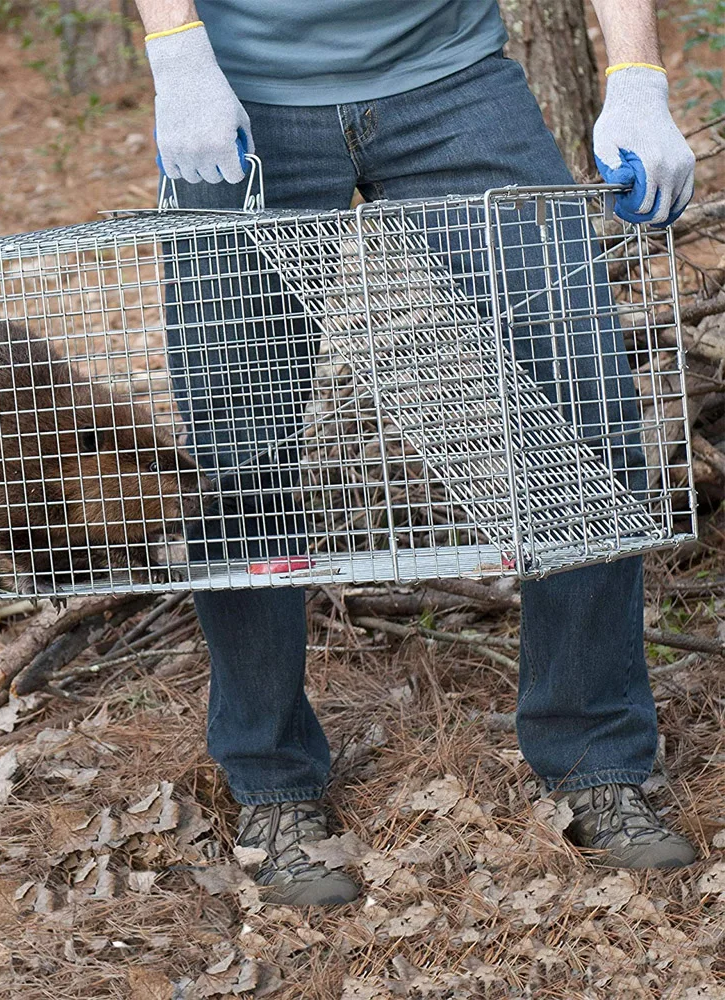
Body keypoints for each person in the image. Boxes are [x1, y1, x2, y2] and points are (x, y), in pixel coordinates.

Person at [134, 0, 698, 906]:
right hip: (238, 93)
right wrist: (176, 53)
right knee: (236, 445)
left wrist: (637, 77)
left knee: (580, 404)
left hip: (452, 81)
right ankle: (273, 783)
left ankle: (596, 758)